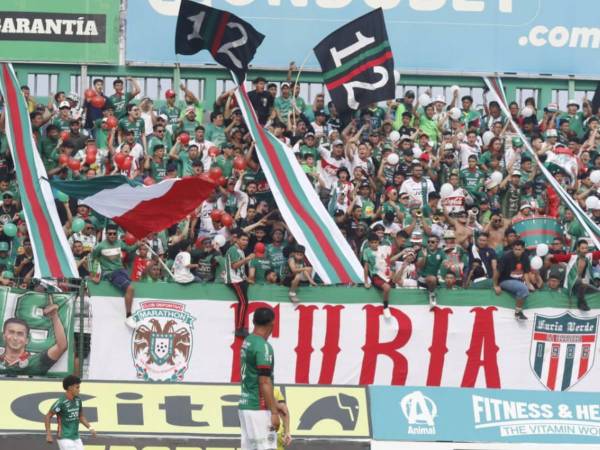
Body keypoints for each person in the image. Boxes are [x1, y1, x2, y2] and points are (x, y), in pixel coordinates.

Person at [239, 307, 279, 450]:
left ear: (253, 321)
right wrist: (274, 412)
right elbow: (264, 381)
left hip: (246, 405)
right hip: (259, 408)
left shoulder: (248, 341)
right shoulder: (263, 346)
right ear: (272, 324)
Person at [0, 300, 67, 375]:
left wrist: (55, 316)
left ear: (27, 340)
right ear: (4, 336)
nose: (15, 338)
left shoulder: (36, 360)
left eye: (20, 334)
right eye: (11, 332)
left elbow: (61, 346)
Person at [91, 224, 138, 328]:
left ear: (117, 234)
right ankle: (129, 317)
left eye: (114, 234)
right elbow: (92, 259)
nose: (112, 236)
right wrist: (92, 275)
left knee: (132, 288)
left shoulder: (119, 242)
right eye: (110, 234)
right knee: (130, 288)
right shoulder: (100, 246)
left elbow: (129, 249)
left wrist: (138, 244)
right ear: (106, 234)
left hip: (122, 270)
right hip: (110, 273)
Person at [45, 375, 96, 450]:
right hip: (64, 437)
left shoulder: (78, 400)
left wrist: (90, 428)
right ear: (70, 388)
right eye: (77, 387)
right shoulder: (61, 402)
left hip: (76, 437)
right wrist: (48, 434)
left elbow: (81, 416)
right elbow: (48, 416)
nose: (79, 390)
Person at [225, 231, 256, 337]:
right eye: (243, 239)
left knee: (244, 302)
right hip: (234, 280)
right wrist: (248, 258)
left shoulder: (241, 251)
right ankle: (239, 329)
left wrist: (247, 279)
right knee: (243, 302)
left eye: (247, 240)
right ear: (237, 239)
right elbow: (234, 266)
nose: (245, 242)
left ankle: (241, 327)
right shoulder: (233, 250)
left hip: (240, 279)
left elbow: (241, 270)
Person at [494, 239, 531, 320]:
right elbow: (497, 271)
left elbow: (526, 272)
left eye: (519, 249)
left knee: (527, 288)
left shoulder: (525, 257)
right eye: (515, 249)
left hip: (518, 280)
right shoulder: (506, 257)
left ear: (523, 249)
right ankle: (518, 312)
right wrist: (495, 285)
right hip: (505, 280)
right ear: (512, 249)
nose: (517, 251)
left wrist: (528, 284)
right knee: (523, 289)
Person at [363, 232, 393, 318]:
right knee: (387, 287)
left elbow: (388, 262)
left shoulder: (383, 250)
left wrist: (390, 272)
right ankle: (386, 307)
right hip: (376, 275)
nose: (374, 244)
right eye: (372, 242)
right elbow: (366, 267)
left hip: (385, 274)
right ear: (369, 243)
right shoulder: (366, 251)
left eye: (375, 242)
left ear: (378, 242)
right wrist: (366, 282)